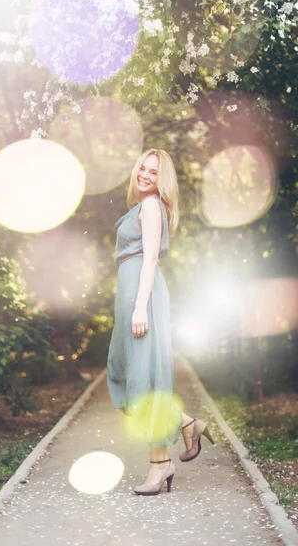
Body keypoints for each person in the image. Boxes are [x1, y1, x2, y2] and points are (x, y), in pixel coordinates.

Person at [107, 148, 215, 496]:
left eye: (154, 172)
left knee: (145, 382)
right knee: (133, 377)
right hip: (133, 297)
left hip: (144, 297)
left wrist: (140, 307)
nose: (146, 175)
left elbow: (150, 258)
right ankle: (187, 424)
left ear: (161, 180)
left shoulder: (152, 206)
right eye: (143, 168)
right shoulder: (140, 206)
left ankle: (159, 466)